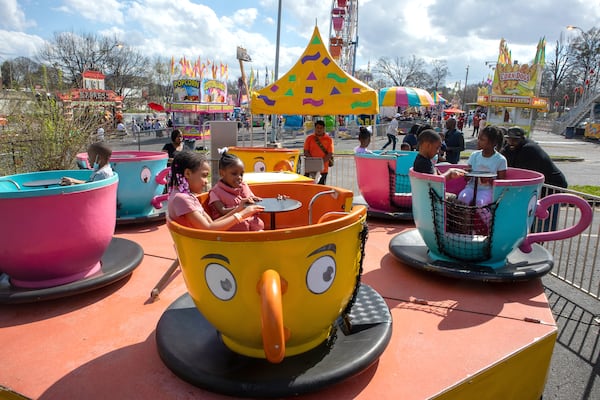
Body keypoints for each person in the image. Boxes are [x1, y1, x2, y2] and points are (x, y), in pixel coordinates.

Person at [167, 151, 263, 230]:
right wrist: (242, 214)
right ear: (188, 173)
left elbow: (212, 223)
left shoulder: (185, 196)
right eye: (204, 176)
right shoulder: (182, 199)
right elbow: (208, 228)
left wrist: (238, 209)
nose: (206, 182)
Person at [501, 126, 568, 231]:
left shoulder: (529, 149)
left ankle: (539, 241)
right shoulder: (510, 148)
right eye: (509, 139)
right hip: (538, 189)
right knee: (531, 221)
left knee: (542, 222)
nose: (512, 142)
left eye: (515, 140)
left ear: (522, 139)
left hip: (551, 188)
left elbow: (521, 172)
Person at [207, 149, 264, 231]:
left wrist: (256, 200)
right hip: (230, 226)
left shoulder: (244, 186)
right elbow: (222, 211)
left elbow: (252, 199)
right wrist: (240, 208)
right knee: (242, 225)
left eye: (241, 174)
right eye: (234, 174)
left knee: (259, 223)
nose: (239, 177)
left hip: (248, 221)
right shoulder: (215, 192)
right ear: (222, 173)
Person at [457, 125, 507, 207]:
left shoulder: (500, 160)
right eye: (479, 138)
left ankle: (488, 220)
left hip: (487, 190)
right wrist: (467, 174)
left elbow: (501, 183)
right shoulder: (474, 155)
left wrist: (489, 180)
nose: (478, 141)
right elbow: (467, 177)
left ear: (493, 143)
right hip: (471, 187)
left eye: (482, 140)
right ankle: (465, 219)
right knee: (462, 198)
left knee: (480, 203)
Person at [303, 120, 334, 184]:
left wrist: (320, 163)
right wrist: (314, 162)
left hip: (323, 169)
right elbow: (306, 151)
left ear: (324, 129)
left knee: (321, 188)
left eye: (321, 128)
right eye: (317, 128)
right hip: (310, 168)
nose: (319, 130)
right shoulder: (309, 138)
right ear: (315, 128)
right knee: (309, 188)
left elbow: (330, 153)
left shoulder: (329, 140)